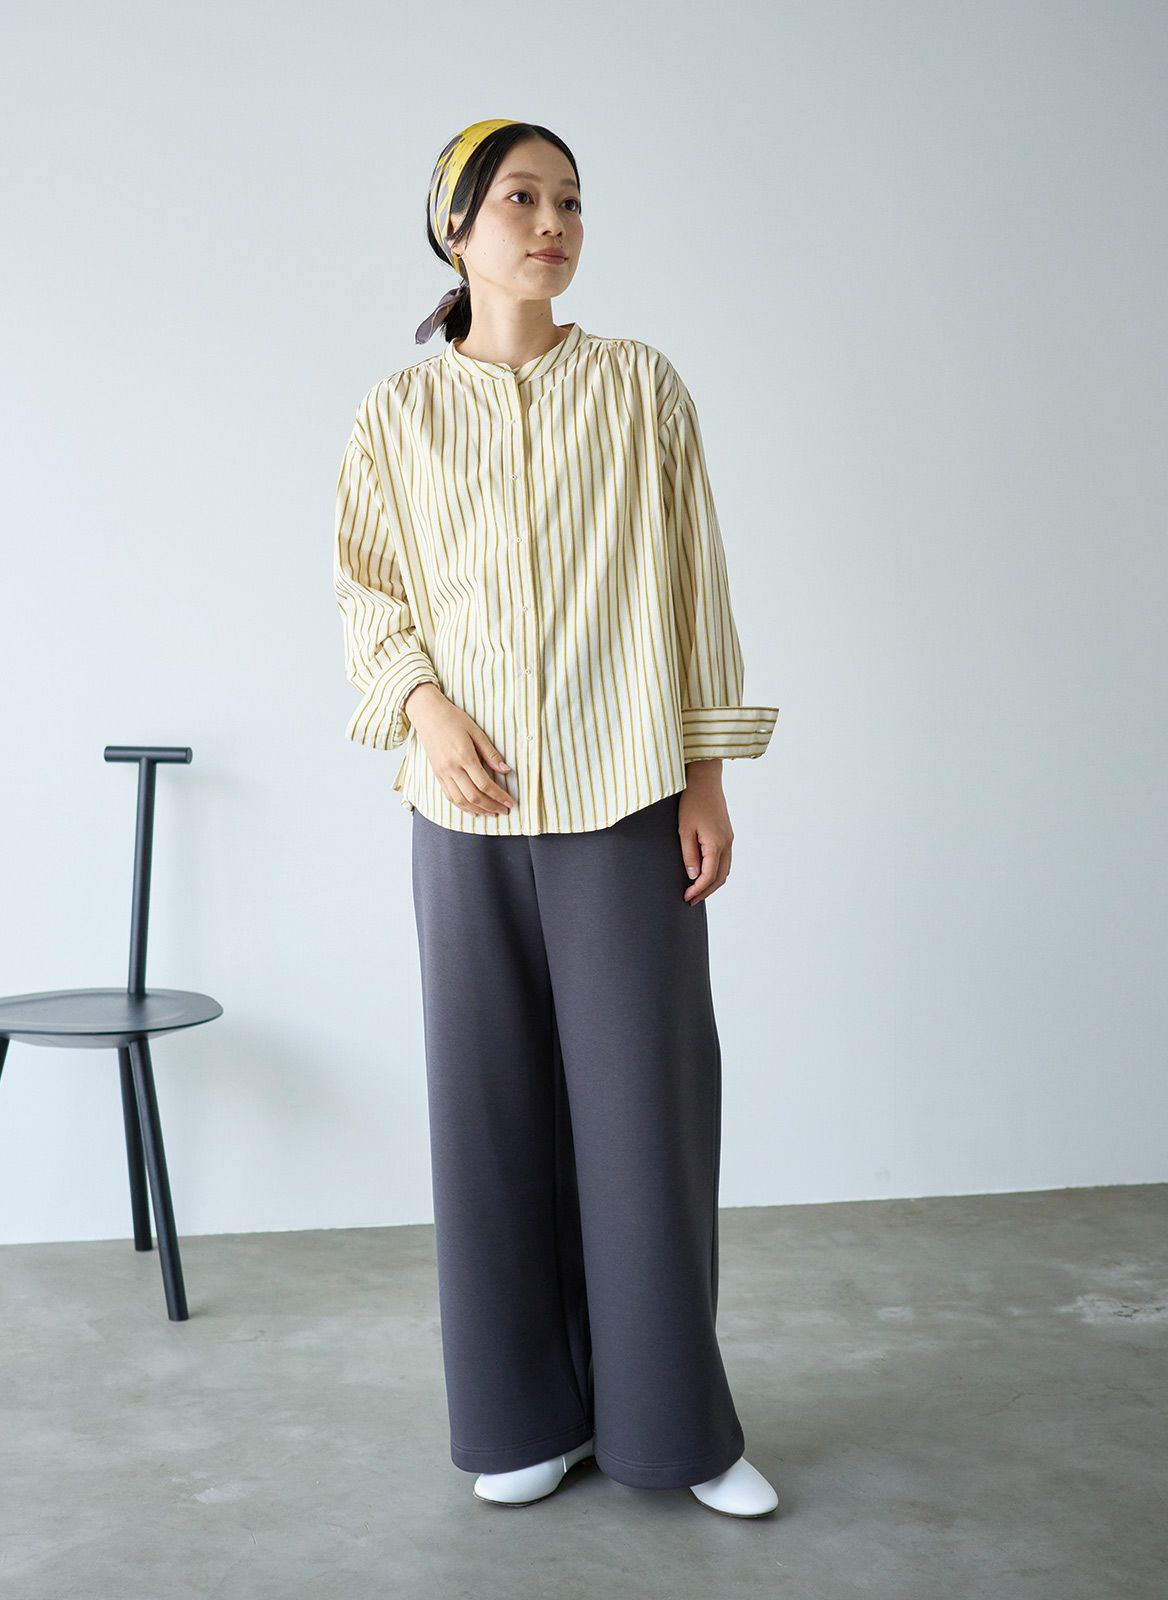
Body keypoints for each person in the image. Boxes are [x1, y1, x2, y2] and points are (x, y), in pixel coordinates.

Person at [334, 118, 780, 1519]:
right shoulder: (395, 416)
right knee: (490, 1117)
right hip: (462, 814)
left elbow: (695, 583)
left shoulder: (640, 387)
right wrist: (424, 709)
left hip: (626, 796)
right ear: (454, 229)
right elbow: (367, 591)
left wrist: (707, 776)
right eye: (521, 199)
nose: (552, 223)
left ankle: (676, 1432)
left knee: (648, 1119)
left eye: (570, 201)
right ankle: (523, 1416)